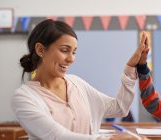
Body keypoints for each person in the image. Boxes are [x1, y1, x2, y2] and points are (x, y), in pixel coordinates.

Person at [11, 19, 149, 140]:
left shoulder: (76, 84)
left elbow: (119, 108)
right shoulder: (24, 97)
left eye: (74, 52)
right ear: (41, 50)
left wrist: (130, 68)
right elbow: (57, 136)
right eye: (65, 50)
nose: (71, 59)